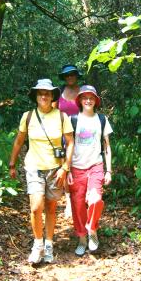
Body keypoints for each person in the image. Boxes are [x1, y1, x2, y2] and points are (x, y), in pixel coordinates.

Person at [9, 78, 74, 264]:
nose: (44, 96)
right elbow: (19, 141)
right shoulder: (27, 116)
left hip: (56, 169)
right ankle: (37, 244)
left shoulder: (62, 117)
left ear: (52, 95)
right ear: (36, 96)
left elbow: (70, 143)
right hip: (34, 167)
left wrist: (65, 167)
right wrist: (12, 164)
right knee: (36, 207)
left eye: (47, 93)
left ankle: (49, 244)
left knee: (51, 208)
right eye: (40, 93)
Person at [67, 85, 113, 256]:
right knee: (78, 205)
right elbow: (68, 146)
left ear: (96, 101)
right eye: (84, 97)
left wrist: (109, 171)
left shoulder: (101, 119)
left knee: (95, 200)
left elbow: (107, 147)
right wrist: (67, 169)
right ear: (79, 100)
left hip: (96, 166)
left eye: (91, 98)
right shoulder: (72, 119)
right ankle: (81, 239)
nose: (88, 100)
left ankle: (92, 230)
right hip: (76, 168)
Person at [55, 64, 83, 218]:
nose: (70, 77)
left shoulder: (83, 92)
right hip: (63, 136)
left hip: (82, 135)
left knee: (81, 165)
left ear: (76, 76)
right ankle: (69, 202)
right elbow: (53, 113)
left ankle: (80, 197)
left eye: (72, 74)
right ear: (64, 77)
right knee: (66, 166)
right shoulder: (59, 92)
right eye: (67, 75)